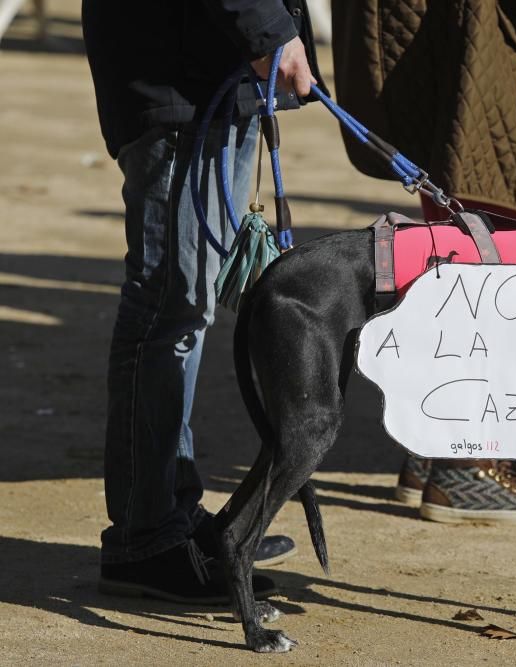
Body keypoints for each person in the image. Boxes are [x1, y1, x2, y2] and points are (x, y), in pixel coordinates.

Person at [332, 0, 516, 525]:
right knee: (497, 262)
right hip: (501, 57)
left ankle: (433, 452)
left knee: (457, 248)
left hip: (432, 45)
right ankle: (467, 465)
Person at [82, 0, 324, 603]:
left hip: (211, 71)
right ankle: (147, 536)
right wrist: (270, 31)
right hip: (179, 77)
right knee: (170, 307)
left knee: (184, 310)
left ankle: (170, 516)